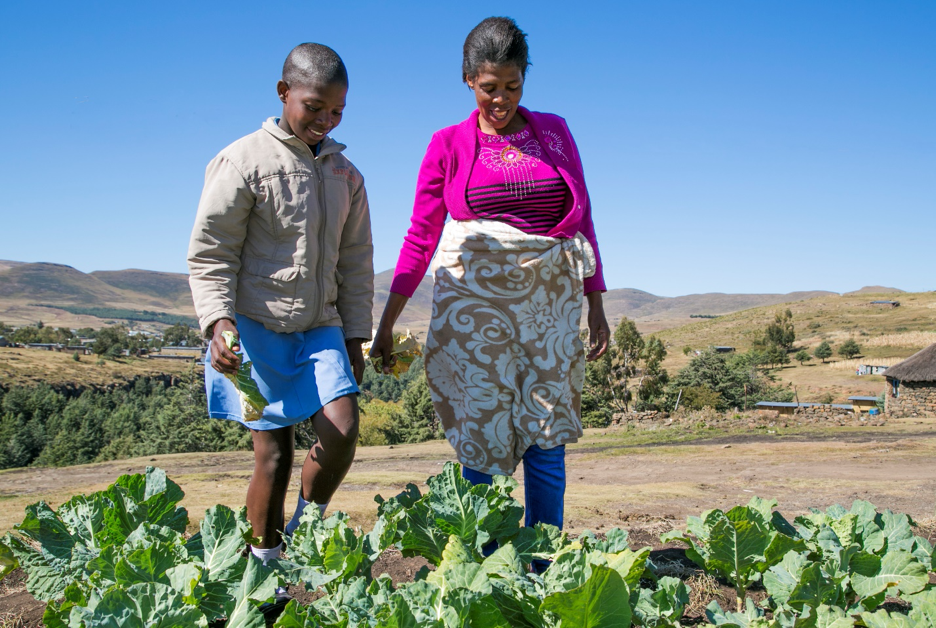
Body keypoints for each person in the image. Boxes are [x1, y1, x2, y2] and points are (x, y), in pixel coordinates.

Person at [371, 17, 609, 540]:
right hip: (474, 311)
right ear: (467, 81)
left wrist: (596, 300)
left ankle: (544, 563)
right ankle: (480, 568)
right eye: (488, 89)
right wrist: (387, 320)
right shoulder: (447, 144)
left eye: (512, 87)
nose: (501, 100)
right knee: (482, 429)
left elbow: (583, 216)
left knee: (547, 434)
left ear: (525, 77)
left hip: (550, 306)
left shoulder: (555, 132)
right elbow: (421, 235)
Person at [187, 43, 373, 569]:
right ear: (283, 92)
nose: (325, 120)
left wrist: (355, 334)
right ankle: (265, 568)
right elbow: (211, 250)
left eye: (337, 111)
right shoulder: (242, 161)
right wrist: (219, 321)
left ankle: (302, 533)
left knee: (341, 430)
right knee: (273, 456)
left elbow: (356, 261)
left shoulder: (346, 175)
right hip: (254, 326)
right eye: (314, 106)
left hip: (321, 327)